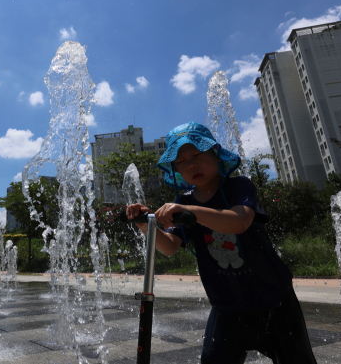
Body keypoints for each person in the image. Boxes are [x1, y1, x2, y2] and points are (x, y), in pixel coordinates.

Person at [126, 122, 316, 364]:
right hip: (227, 307)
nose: (191, 164)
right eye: (181, 162)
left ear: (216, 155)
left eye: (197, 154)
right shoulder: (183, 200)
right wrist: (145, 225)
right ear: (176, 171)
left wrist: (189, 210)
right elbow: (169, 247)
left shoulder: (239, 187)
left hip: (275, 301)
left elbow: (239, 222)